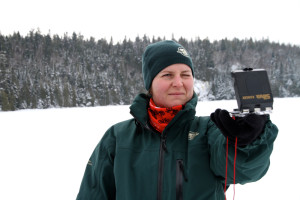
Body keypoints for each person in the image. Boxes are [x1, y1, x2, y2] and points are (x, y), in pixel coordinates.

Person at [76, 40, 278, 200]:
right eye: (167, 75)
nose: (179, 82)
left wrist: (248, 141)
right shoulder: (118, 138)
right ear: (150, 83)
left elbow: (244, 169)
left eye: (185, 74)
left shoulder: (210, 130)